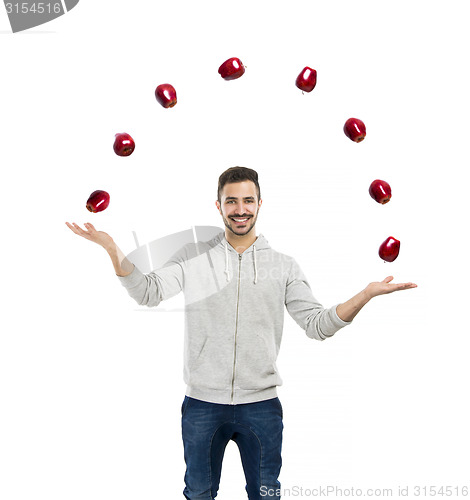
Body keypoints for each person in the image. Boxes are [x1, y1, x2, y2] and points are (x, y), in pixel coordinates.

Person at [65, 166, 417, 499]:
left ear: (259, 204)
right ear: (219, 206)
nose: (240, 209)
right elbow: (148, 291)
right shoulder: (193, 256)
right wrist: (112, 249)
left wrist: (366, 295)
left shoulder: (283, 265)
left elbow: (318, 324)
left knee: (265, 494)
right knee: (199, 493)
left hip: (261, 406)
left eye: (248, 200)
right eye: (231, 201)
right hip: (202, 404)